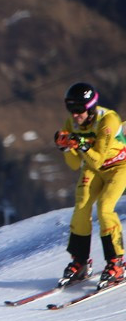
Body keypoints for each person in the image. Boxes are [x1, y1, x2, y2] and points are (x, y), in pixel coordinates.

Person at [55, 82, 126, 288]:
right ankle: (79, 262)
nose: (75, 115)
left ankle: (116, 262)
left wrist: (82, 144)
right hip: (94, 168)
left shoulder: (108, 120)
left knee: (105, 208)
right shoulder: (72, 123)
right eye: (71, 110)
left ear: (92, 107)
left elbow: (98, 159)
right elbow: (75, 164)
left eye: (79, 110)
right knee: (81, 208)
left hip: (118, 166)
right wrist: (67, 149)